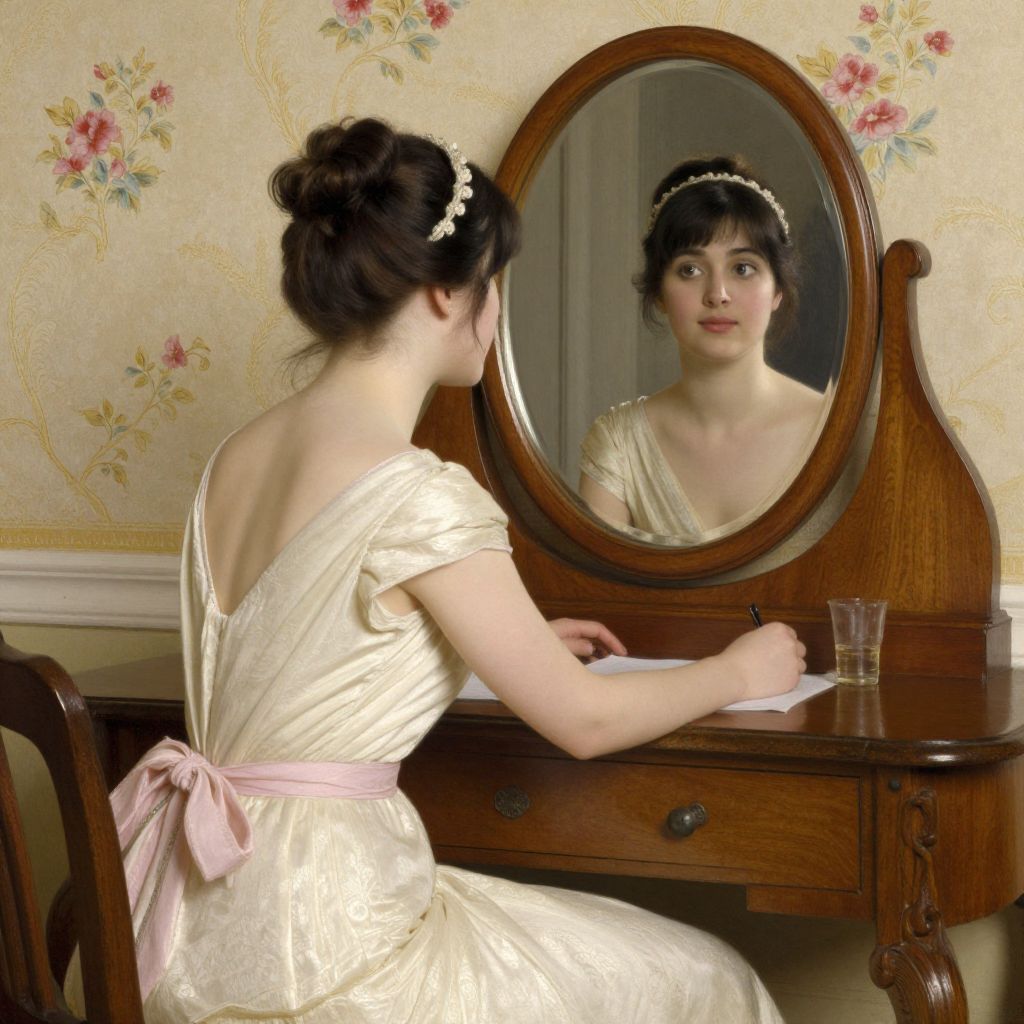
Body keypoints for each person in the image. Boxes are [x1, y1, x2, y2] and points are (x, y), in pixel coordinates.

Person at [65, 120, 804, 1022]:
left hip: (176, 926)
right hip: (321, 952)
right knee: (708, 975)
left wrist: (492, 640)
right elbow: (586, 720)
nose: (496, 314)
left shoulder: (234, 458)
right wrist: (738, 671)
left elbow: (309, 646)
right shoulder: (422, 494)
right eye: (494, 286)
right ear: (449, 294)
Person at [579, 156, 829, 544]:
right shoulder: (619, 443)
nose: (717, 294)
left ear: (778, 289)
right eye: (690, 270)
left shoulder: (832, 429)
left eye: (742, 268)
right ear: (658, 292)